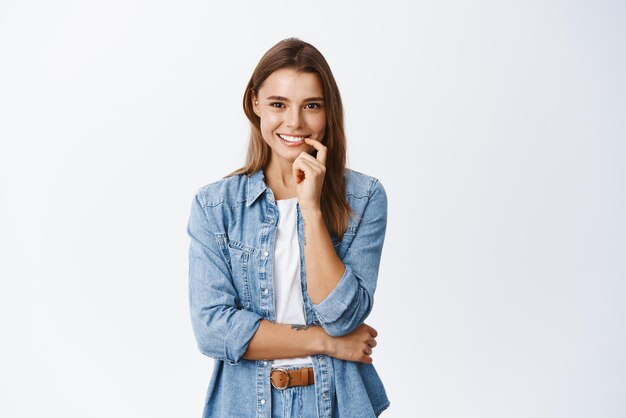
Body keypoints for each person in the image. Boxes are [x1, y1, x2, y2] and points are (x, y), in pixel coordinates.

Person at [187, 37, 389, 418]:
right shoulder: (215, 207)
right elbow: (213, 329)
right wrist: (327, 342)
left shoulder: (364, 198)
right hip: (246, 405)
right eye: (279, 104)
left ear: (329, 112)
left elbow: (344, 316)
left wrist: (310, 207)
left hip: (338, 403)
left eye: (311, 105)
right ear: (255, 103)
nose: (294, 122)